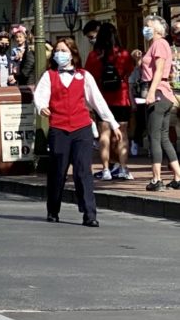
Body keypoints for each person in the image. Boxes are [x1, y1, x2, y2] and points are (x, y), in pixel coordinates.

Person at [34, 36, 119, 226]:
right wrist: (42, 107)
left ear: (72, 54)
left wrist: (113, 123)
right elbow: (40, 96)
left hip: (82, 129)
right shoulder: (49, 76)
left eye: (63, 51)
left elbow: (98, 101)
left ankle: (90, 214)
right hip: (59, 128)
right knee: (58, 171)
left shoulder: (84, 76)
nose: (59, 54)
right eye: (57, 51)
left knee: (83, 171)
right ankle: (53, 209)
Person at [84, 22, 134, 181]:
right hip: (121, 98)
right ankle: (123, 168)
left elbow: (88, 76)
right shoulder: (124, 54)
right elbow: (129, 72)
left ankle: (106, 169)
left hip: (102, 100)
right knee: (122, 134)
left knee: (104, 134)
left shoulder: (94, 56)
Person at [139, 15, 180, 191]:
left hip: (158, 94)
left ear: (157, 29)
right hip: (162, 93)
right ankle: (178, 176)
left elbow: (159, 70)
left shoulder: (159, 44)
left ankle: (157, 179)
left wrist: (151, 92)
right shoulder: (155, 45)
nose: (145, 29)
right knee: (163, 137)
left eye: (148, 26)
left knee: (154, 137)